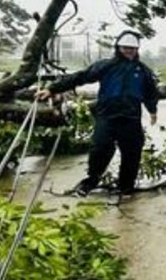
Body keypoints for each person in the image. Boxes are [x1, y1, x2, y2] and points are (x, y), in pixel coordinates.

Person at [37, 30, 159, 199]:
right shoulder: (106, 66)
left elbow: (150, 91)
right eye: (125, 48)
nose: (129, 51)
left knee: (132, 152)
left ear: (137, 49)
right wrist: (52, 89)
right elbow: (81, 77)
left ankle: (126, 188)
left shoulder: (142, 70)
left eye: (132, 48)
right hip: (106, 116)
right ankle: (90, 182)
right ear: (118, 47)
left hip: (131, 118)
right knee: (99, 149)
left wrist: (152, 110)